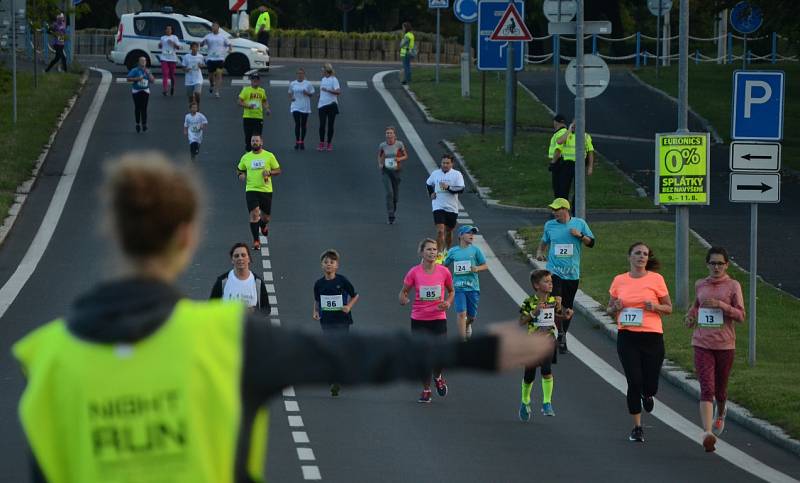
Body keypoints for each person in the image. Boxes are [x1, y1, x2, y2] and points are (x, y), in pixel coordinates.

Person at [12, 152, 555, 483]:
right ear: (188, 237)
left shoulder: (51, 358)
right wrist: (477, 351)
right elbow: (354, 353)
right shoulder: (225, 338)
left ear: (112, 233)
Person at [606, 242, 673, 443]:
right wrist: (615, 307)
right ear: (630, 257)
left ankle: (649, 394)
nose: (641, 257)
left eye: (645, 254)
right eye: (637, 253)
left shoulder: (656, 279)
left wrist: (656, 306)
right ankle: (637, 427)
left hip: (652, 336)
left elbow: (669, 308)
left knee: (650, 383)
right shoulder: (619, 280)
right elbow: (609, 309)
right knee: (634, 381)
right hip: (628, 337)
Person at [684, 246, 745, 453]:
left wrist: (722, 305)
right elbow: (696, 306)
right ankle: (707, 433)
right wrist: (690, 317)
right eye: (713, 263)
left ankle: (721, 412)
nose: (716, 267)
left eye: (720, 263)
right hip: (702, 343)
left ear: (726, 265)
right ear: (707, 264)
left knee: (720, 389)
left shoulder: (733, 286)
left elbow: (741, 315)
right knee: (707, 388)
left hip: (725, 344)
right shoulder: (700, 284)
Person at [535, 197, 595, 354]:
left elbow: (591, 243)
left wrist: (580, 235)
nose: (554, 213)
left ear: (566, 210)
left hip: (572, 273)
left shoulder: (579, 223)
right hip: (554, 272)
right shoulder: (549, 225)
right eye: (553, 210)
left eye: (557, 210)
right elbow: (544, 241)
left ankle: (562, 334)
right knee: (556, 302)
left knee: (567, 310)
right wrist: (540, 252)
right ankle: (557, 333)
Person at [399, 238, 455, 403]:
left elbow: (451, 291)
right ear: (421, 252)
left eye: (435, 249)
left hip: (438, 319)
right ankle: (426, 389)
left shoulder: (444, 271)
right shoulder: (414, 272)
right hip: (419, 320)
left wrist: (448, 302)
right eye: (429, 249)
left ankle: (437, 376)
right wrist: (403, 299)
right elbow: (403, 292)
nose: (432, 252)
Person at [517, 269, 569, 421]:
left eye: (551, 281)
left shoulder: (553, 301)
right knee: (529, 375)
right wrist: (534, 313)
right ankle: (525, 401)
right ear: (536, 285)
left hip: (548, 340)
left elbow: (556, 317)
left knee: (546, 370)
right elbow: (521, 321)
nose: (550, 284)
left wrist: (565, 316)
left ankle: (547, 402)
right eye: (546, 282)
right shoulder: (529, 301)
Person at [312, 249, 360, 397]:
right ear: (321, 265)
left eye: (331, 262)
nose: (328, 265)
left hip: (342, 320)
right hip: (326, 320)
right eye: (326, 262)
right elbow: (317, 300)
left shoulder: (342, 281)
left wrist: (348, 306)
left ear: (337, 265)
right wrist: (315, 311)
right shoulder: (319, 284)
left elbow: (355, 295)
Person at [443, 225, 487, 340]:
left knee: (471, 317)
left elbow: (485, 265)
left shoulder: (475, 250)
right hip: (458, 287)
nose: (472, 235)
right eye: (469, 233)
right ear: (461, 235)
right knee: (461, 314)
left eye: (473, 233)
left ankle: (468, 325)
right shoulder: (453, 251)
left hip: (473, 287)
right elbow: (444, 265)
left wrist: (477, 268)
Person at [237, 135, 280, 250]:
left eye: (257, 141)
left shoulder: (269, 156)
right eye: (252, 141)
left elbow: (278, 170)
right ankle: (256, 240)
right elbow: (239, 169)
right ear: (250, 143)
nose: (254, 142)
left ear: (261, 142)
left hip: (266, 190)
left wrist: (270, 173)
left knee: (266, 218)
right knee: (254, 214)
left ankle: (263, 225)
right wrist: (240, 175)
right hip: (251, 189)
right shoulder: (246, 157)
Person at [209, 242, 271, 316]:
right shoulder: (222, 282)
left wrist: (253, 311)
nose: (240, 258)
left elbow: (266, 309)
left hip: (250, 327)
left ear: (249, 259)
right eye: (236, 256)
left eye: (243, 255)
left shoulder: (257, 283)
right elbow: (211, 307)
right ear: (232, 260)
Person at [426, 154, 465, 262]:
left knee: (448, 231)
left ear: (452, 164)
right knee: (440, 231)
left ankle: (447, 250)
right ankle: (439, 254)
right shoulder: (435, 174)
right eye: (443, 163)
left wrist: (448, 188)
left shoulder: (457, 175)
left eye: (447, 163)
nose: (445, 165)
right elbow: (428, 184)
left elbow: (461, 189)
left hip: (451, 207)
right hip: (438, 205)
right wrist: (431, 193)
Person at [554, 119, 595, 202]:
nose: (576, 126)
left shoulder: (586, 136)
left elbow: (590, 152)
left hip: (580, 165)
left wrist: (590, 167)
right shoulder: (567, 135)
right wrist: (569, 129)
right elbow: (559, 141)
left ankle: (576, 211)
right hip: (567, 165)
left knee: (579, 191)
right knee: (564, 189)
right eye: (574, 124)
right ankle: (563, 209)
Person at [378, 126, 408, 224]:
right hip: (386, 171)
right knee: (389, 193)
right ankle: (391, 215)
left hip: (396, 171)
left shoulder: (399, 144)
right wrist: (380, 164)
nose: (389, 135)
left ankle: (393, 208)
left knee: (395, 197)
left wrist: (399, 159)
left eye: (391, 133)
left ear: (394, 135)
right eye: (387, 133)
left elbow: (405, 155)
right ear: (385, 135)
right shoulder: (382, 145)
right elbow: (380, 155)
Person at [238, 72, 270, 152]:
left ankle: (256, 154)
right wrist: (248, 106)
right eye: (253, 80)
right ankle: (247, 155)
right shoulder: (246, 90)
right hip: (248, 117)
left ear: (259, 81)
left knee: (257, 137)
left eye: (257, 80)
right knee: (248, 137)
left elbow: (264, 101)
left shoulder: (262, 91)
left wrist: (267, 109)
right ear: (251, 81)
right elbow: (239, 101)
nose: (255, 81)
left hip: (258, 117)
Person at [201, 21, 231, 98]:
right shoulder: (208, 36)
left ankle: (217, 91)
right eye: (213, 26)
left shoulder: (223, 36)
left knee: (219, 74)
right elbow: (201, 44)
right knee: (211, 76)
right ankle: (211, 84)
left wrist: (230, 49)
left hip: (220, 58)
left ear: (218, 28)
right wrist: (203, 42)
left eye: (215, 26)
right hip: (210, 58)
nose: (214, 28)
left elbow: (229, 44)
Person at [126, 56, 156, 133]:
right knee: (137, 107)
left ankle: (144, 124)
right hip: (136, 91)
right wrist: (137, 79)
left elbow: (153, 81)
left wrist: (148, 74)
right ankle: (137, 123)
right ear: (139, 62)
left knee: (144, 108)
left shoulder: (148, 70)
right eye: (141, 61)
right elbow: (128, 78)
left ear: (146, 62)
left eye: (144, 61)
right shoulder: (135, 70)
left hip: (145, 90)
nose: (143, 62)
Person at [289, 67, 315, 150]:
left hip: (305, 106)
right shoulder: (293, 83)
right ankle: (297, 142)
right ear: (296, 75)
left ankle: (302, 141)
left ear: (304, 75)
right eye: (298, 73)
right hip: (295, 106)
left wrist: (307, 93)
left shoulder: (308, 84)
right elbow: (290, 93)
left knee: (303, 125)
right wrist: (291, 98)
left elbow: (312, 94)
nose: (300, 75)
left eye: (301, 73)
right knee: (297, 124)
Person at [317, 63, 341, 152]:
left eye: (323, 69)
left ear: (326, 70)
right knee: (322, 125)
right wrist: (320, 95)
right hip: (322, 105)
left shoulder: (334, 80)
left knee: (330, 125)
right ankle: (321, 142)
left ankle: (329, 143)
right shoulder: (323, 79)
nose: (322, 71)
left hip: (331, 105)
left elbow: (338, 92)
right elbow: (322, 90)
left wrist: (327, 90)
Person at [547, 114, 568, 198]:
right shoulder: (564, 132)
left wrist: (553, 162)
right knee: (562, 188)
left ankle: (559, 209)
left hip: (559, 162)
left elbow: (558, 150)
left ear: (555, 122)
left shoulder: (561, 133)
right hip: (563, 162)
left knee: (558, 188)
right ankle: (561, 208)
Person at [180, 42, 205, 108]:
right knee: (190, 97)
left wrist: (200, 66)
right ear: (190, 48)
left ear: (198, 48)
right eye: (193, 47)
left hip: (198, 78)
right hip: (189, 79)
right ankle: (192, 108)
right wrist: (186, 69)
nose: (195, 48)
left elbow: (203, 65)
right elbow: (183, 67)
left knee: (197, 93)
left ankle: (198, 105)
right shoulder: (186, 56)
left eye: (196, 47)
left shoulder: (200, 56)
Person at [158, 24, 181, 96]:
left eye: (169, 29)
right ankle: (165, 89)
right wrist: (160, 45)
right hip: (164, 58)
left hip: (172, 58)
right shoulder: (162, 37)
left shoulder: (174, 37)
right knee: (165, 74)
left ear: (172, 30)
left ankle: (172, 87)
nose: (168, 30)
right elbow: (160, 47)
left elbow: (178, 48)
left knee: (171, 75)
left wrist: (173, 43)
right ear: (165, 30)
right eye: (167, 29)